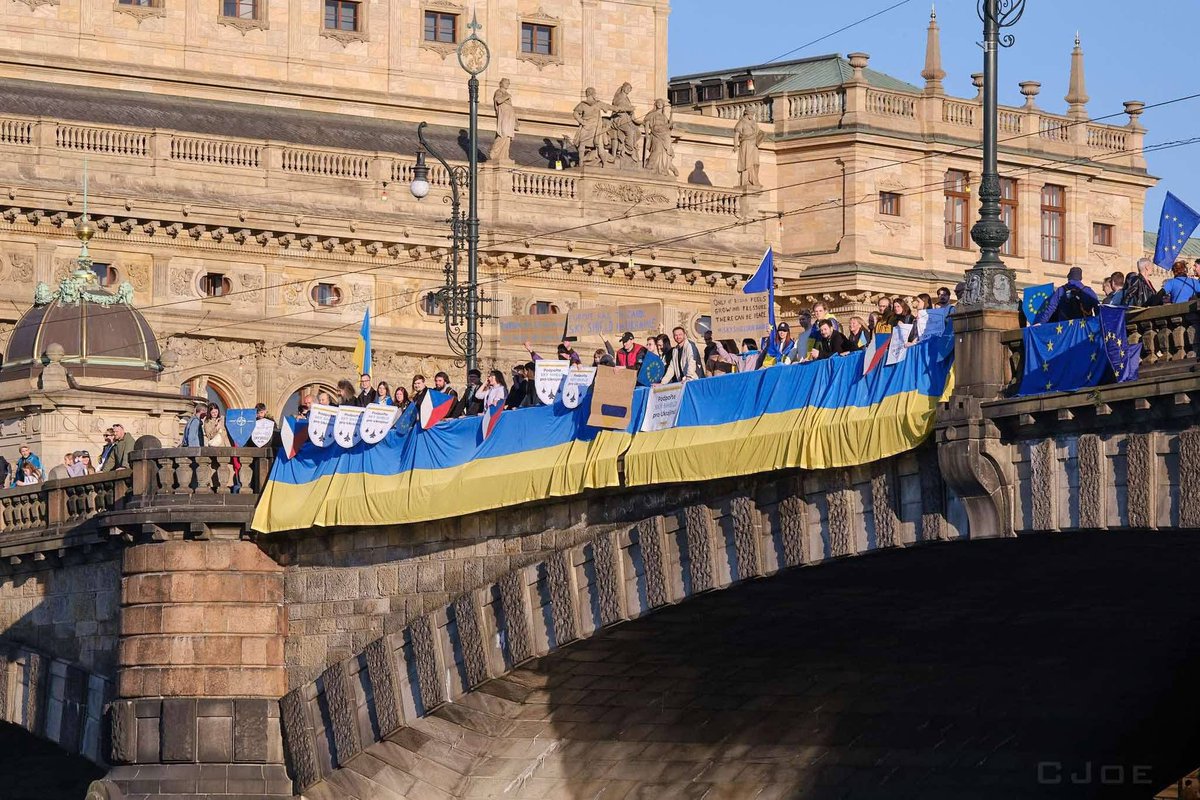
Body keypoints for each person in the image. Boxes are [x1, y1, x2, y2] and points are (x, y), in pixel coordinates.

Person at [1034, 267, 1099, 324]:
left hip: (1065, 328)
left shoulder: (1061, 290)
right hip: (1084, 328)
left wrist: (1041, 322)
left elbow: (1051, 308)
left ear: (1069, 277)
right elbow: (1098, 308)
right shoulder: (1088, 291)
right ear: (1080, 278)